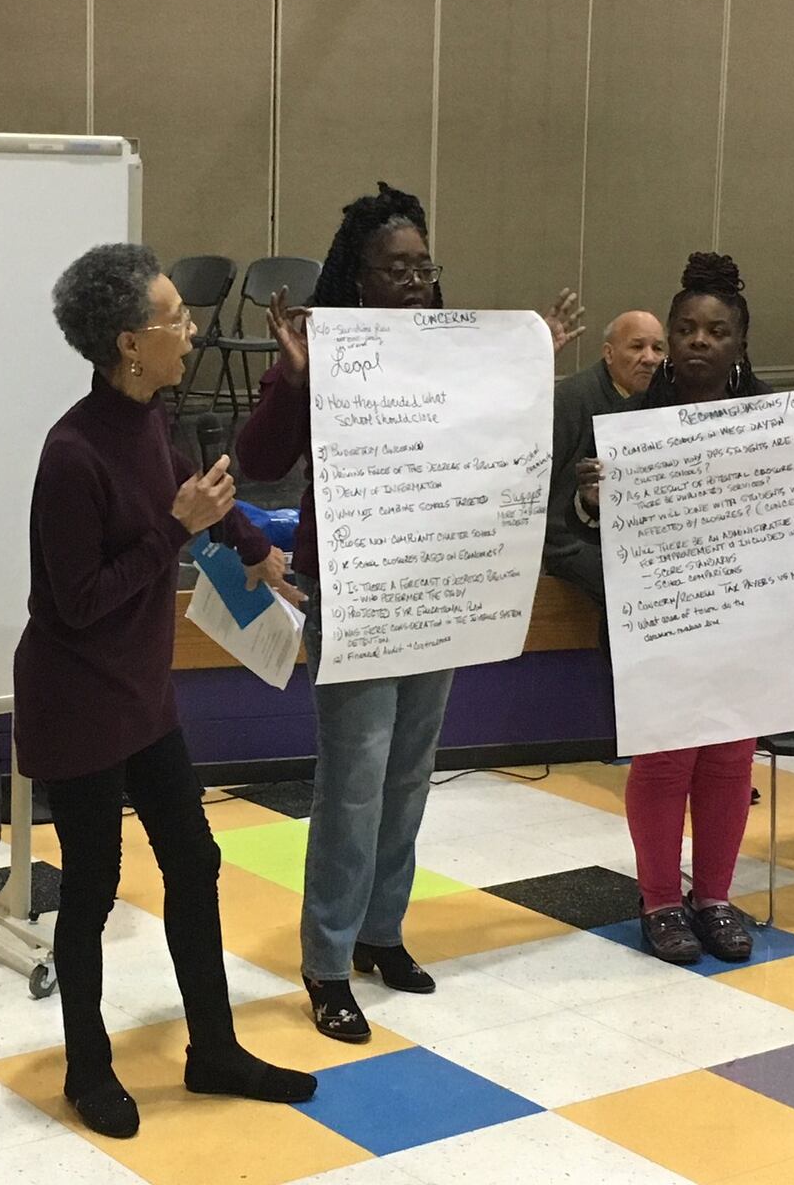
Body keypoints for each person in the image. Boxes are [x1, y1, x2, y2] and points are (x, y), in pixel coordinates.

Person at [236, 183, 583, 1041]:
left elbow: (505, 440)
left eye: (423, 268)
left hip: (440, 585)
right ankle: (324, 961)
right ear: (356, 276)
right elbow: (259, 460)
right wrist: (291, 378)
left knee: (409, 774)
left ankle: (381, 931)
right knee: (352, 785)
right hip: (353, 590)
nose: (413, 282)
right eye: (394, 269)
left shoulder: (456, 353)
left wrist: (528, 362)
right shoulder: (328, 351)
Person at [15, 243, 316, 1140]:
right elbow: (75, 604)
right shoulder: (71, 453)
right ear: (127, 343)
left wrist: (253, 547)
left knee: (195, 861)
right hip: (77, 699)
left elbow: (198, 498)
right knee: (94, 888)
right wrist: (173, 533)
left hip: (141, 694)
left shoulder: (161, 416)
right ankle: (86, 1067)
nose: (191, 329)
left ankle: (214, 1048)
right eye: (175, 317)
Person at [571, 252, 794, 965]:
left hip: (748, 623)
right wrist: (591, 496)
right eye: (684, 328)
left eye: (715, 330)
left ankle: (713, 896)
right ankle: (658, 901)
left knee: (728, 758)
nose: (697, 341)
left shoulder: (788, 423)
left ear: (740, 344)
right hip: (662, 623)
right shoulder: (629, 424)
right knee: (664, 762)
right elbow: (585, 520)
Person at [544, 311, 666, 606]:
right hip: (567, 539)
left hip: (634, 535)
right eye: (637, 347)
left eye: (658, 348)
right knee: (634, 589)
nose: (649, 358)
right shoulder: (572, 399)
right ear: (609, 354)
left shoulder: (663, 399)